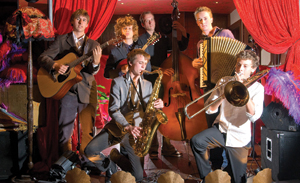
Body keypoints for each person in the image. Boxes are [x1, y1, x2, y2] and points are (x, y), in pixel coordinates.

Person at [84, 49, 164, 182]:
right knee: (90, 150)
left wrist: (158, 106)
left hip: (136, 134)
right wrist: (127, 126)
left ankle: (117, 157)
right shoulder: (117, 82)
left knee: (138, 177)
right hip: (118, 128)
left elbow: (150, 111)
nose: (143, 66)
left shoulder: (148, 85)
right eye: (140, 63)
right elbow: (113, 109)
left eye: (145, 63)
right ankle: (110, 167)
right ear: (131, 63)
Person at [190, 50, 264, 183]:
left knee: (238, 179)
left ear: (253, 69)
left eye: (245, 66)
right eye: (238, 65)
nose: (240, 69)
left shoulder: (258, 88)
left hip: (239, 138)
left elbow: (254, 117)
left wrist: (244, 89)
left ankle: (225, 175)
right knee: (197, 141)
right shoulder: (224, 81)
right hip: (221, 129)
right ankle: (207, 178)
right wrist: (223, 95)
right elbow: (209, 110)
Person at [38, 9, 102, 157]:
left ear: (87, 24)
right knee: (64, 132)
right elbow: (43, 57)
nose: (81, 22)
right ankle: (66, 164)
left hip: (87, 89)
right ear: (72, 21)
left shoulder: (94, 44)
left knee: (88, 131)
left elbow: (92, 71)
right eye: (78, 19)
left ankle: (87, 162)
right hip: (66, 90)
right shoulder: (61, 40)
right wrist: (55, 66)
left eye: (84, 20)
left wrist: (96, 63)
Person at [137, 11, 190, 158]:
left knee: (165, 113)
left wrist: (182, 31)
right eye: (147, 21)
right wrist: (159, 69)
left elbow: (180, 47)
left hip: (165, 81)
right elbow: (141, 63)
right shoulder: (140, 41)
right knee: (152, 114)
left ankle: (167, 147)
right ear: (143, 24)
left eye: (152, 19)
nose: (151, 23)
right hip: (149, 80)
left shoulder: (162, 38)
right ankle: (153, 148)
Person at [192, 6, 235, 170]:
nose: (203, 22)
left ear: (211, 19)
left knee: (227, 123)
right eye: (199, 20)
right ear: (197, 23)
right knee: (212, 124)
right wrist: (196, 64)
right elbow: (203, 68)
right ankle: (216, 164)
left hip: (226, 86)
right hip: (210, 88)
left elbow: (235, 57)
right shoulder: (200, 44)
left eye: (205, 18)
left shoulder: (225, 34)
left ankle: (230, 163)